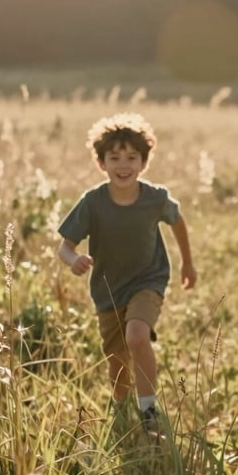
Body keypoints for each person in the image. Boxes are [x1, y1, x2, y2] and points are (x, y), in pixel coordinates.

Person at [57, 113, 197, 435]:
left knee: (137, 336)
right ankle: (121, 408)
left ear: (143, 162)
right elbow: (64, 246)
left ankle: (148, 411)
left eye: (132, 157)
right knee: (117, 360)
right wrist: (73, 259)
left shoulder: (155, 198)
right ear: (101, 163)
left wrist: (188, 263)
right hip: (107, 289)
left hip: (149, 280)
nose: (123, 165)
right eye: (114, 158)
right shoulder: (92, 202)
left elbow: (178, 221)